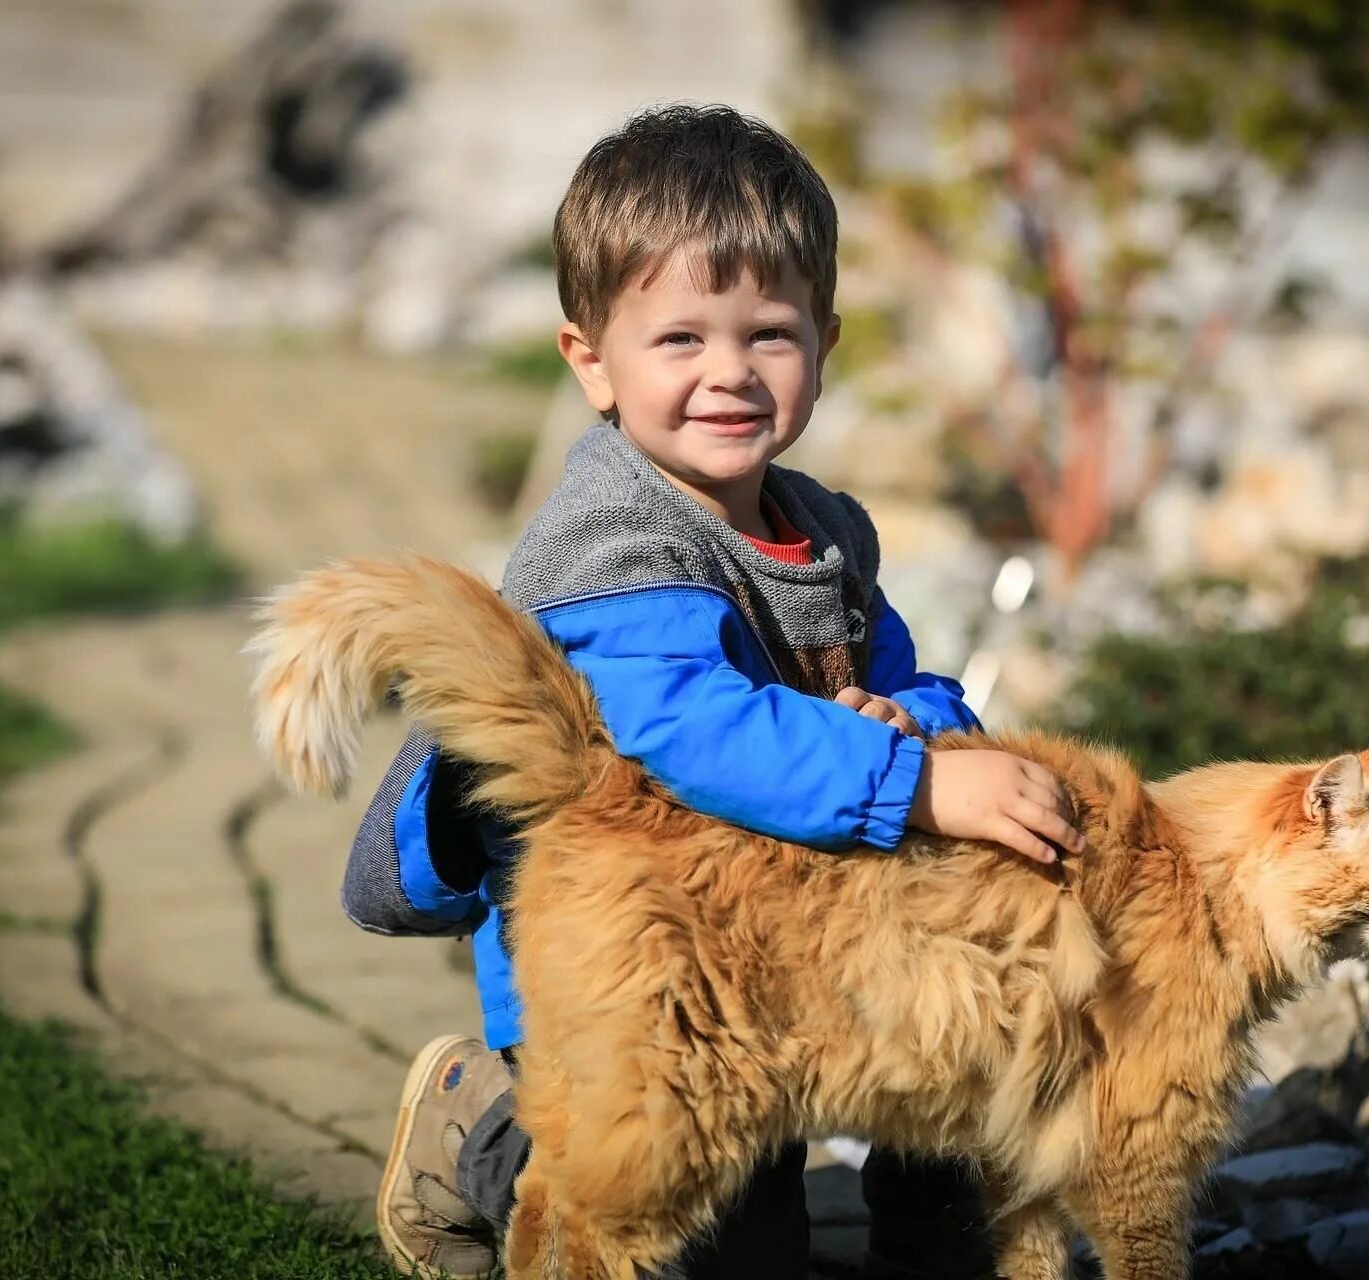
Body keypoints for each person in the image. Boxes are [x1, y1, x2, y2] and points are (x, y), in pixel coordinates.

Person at [344, 103, 1082, 1280]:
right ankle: (475, 1126)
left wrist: (923, 727)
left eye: (769, 334)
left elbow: (895, 671)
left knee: (963, 981)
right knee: (668, 1208)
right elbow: (691, 727)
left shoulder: (822, 526)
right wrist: (910, 784)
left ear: (825, 343)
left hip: (771, 954)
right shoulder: (610, 543)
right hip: (632, 980)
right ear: (591, 360)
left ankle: (941, 1226)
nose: (730, 372)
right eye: (679, 338)